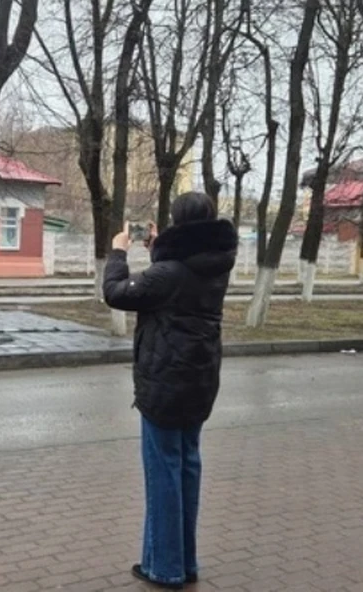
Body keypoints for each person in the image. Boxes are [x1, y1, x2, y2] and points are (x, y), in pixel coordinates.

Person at [103, 192, 237, 590]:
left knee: (163, 474)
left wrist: (117, 253)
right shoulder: (215, 265)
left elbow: (117, 292)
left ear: (179, 224)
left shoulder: (171, 274)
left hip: (165, 384)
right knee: (187, 469)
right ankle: (183, 561)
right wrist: (161, 249)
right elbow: (171, 280)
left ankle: (165, 568)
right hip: (199, 381)